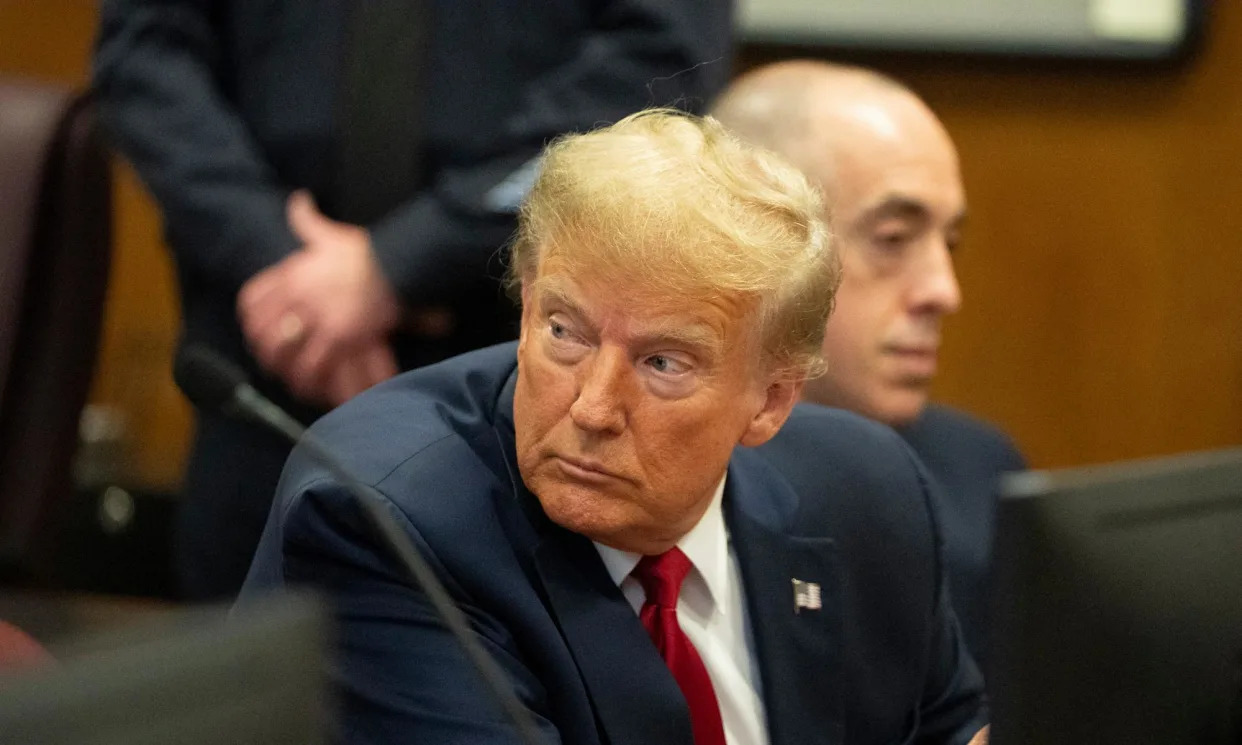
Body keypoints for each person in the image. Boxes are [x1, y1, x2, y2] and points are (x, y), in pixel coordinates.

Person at [241, 110, 988, 745]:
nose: (593, 407)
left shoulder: (864, 492)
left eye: (664, 362)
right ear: (527, 305)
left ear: (770, 401)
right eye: (566, 331)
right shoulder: (387, 520)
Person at [91, 0, 734, 599]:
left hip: (526, 368)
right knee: (247, 689)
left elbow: (661, 60)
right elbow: (146, 55)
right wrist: (280, 263)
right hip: (266, 353)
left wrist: (398, 263)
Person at [711, 61, 1026, 669]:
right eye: (892, 238)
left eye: (949, 243)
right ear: (752, 242)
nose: (943, 291)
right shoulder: (649, 489)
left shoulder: (981, 472)